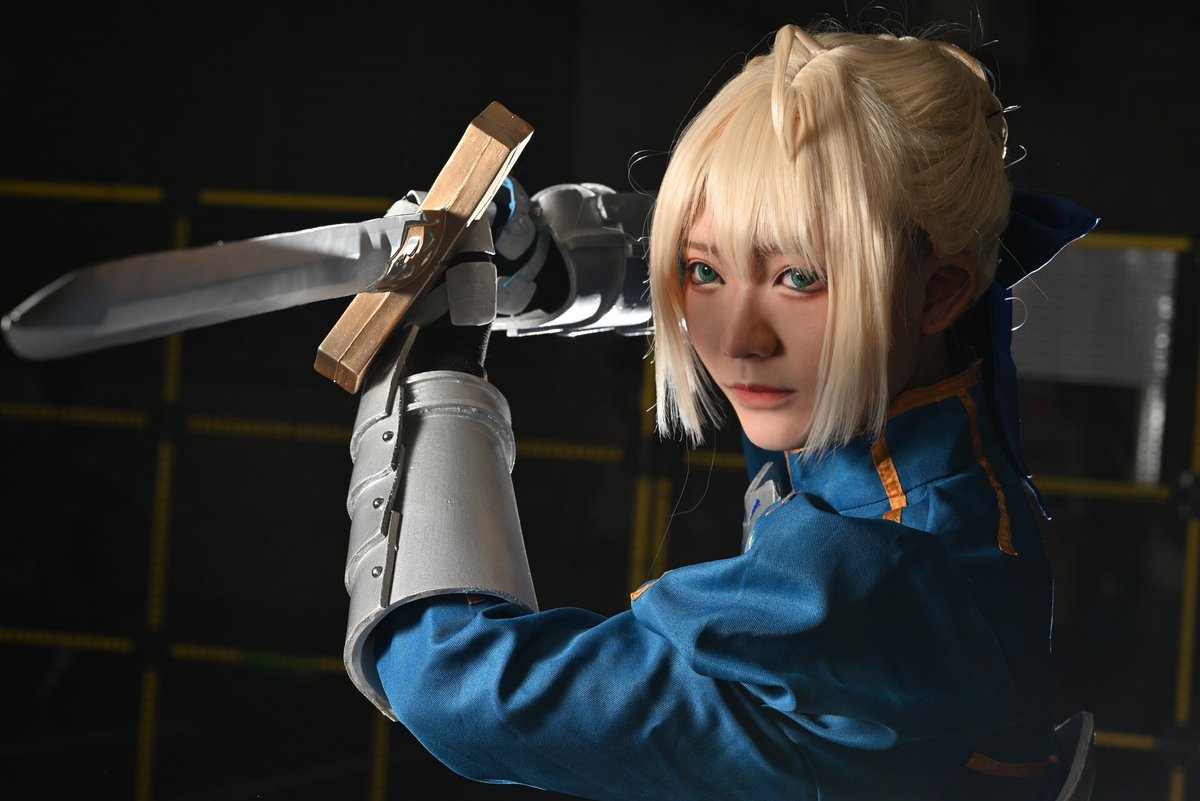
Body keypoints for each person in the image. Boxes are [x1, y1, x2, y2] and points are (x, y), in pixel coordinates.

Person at [347, 23, 1097, 801]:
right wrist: (545, 265)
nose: (739, 341)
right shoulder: (927, 349)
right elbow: (785, 241)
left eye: (800, 279)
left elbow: (452, 684)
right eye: (705, 270)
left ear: (938, 290)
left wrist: (429, 374)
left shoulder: (875, 595)